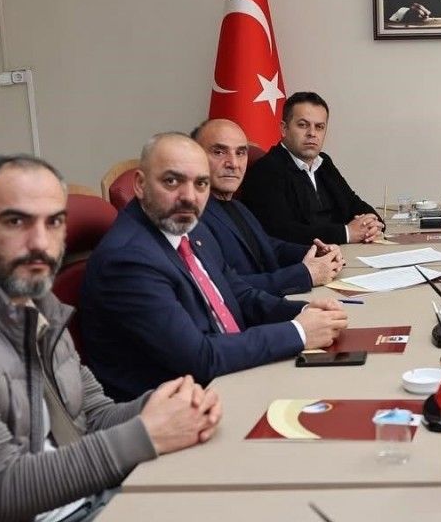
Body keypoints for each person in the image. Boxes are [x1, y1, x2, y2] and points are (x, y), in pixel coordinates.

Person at [0, 154, 221, 521]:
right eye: (16, 221)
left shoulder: (37, 301)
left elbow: (92, 417)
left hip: (86, 501)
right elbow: (0, 490)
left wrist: (162, 406)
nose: (40, 242)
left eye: (54, 222)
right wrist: (147, 434)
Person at [82, 133, 349, 401]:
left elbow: (240, 295)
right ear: (140, 185)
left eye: (201, 184)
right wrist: (298, 332)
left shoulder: (190, 229)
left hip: (230, 375)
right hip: (183, 404)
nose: (189, 197)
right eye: (172, 181)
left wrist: (305, 312)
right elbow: (199, 358)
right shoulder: (128, 259)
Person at [192, 118, 344, 294]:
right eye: (219, 152)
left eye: (240, 153)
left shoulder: (237, 206)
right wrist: (305, 275)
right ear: (194, 158)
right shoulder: (191, 216)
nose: (233, 164)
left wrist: (316, 252)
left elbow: (269, 248)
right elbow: (221, 287)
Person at [240, 92, 384, 245]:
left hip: (342, 252)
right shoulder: (266, 170)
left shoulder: (324, 162)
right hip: (303, 257)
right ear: (284, 129)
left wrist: (373, 224)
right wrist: (347, 233)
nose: (312, 133)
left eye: (319, 127)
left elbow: (353, 204)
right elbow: (281, 232)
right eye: (303, 125)